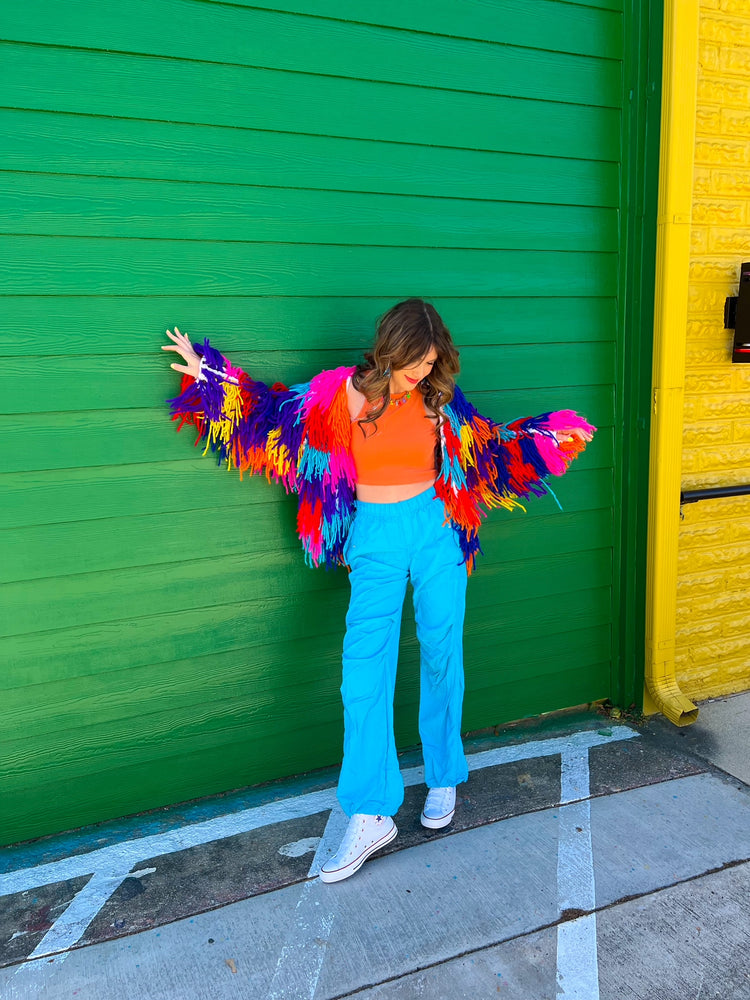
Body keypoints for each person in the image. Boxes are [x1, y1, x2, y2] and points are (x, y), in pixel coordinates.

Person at [162, 298, 594, 884]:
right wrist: (207, 375)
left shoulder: (440, 402)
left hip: (436, 527)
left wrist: (545, 438)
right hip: (374, 537)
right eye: (413, 362)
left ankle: (443, 774)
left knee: (443, 651)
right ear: (389, 349)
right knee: (364, 669)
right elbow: (271, 416)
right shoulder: (341, 396)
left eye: (430, 362)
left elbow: (486, 448)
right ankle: (370, 811)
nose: (420, 373)